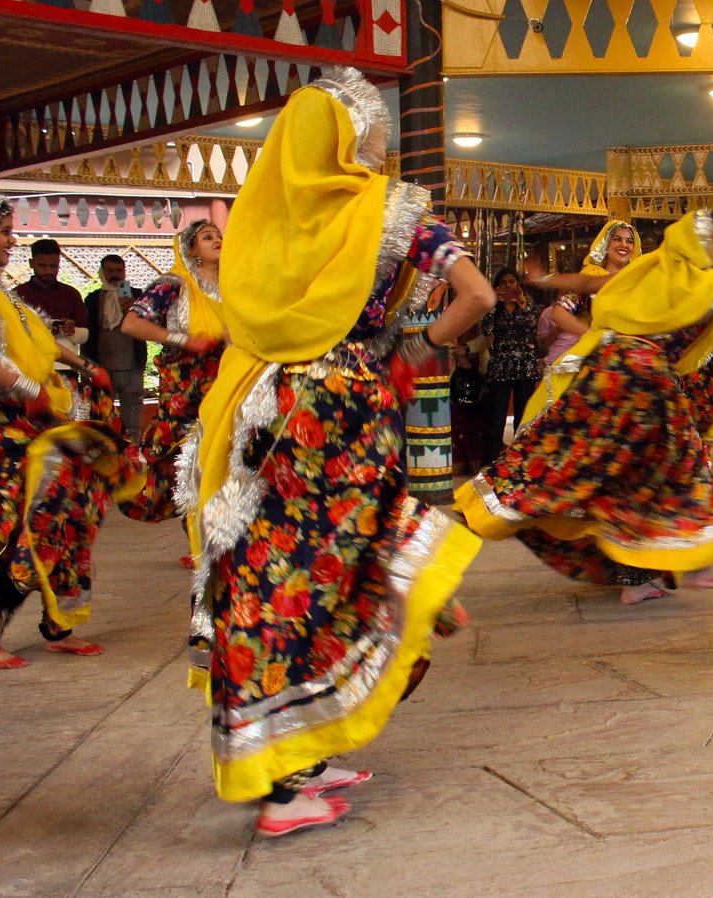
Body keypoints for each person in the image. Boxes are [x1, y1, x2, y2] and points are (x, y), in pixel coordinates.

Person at [186, 67, 492, 837]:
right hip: (350, 411)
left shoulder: (264, 220)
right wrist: (411, 347)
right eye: (375, 127)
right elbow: (478, 297)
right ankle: (281, 787)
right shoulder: (392, 211)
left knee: (278, 566)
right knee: (338, 572)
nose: (382, 140)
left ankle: (297, 752)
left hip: (271, 409)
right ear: (353, 135)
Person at [456, 211, 713, 606]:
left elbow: (590, 282)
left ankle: (635, 576)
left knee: (616, 470)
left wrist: (544, 279)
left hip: (606, 373)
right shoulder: (706, 282)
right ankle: (694, 560)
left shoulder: (652, 267)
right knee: (683, 463)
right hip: (644, 379)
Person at [0, 196, 135, 668]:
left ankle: (60, 626)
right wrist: (22, 384)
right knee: (14, 526)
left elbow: (38, 337)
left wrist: (84, 363)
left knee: (70, 509)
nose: (13, 240)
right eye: (5, 232)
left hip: (31, 417)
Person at [117, 220, 226, 527]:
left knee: (221, 458)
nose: (217, 240)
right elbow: (132, 323)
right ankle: (196, 535)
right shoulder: (173, 283)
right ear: (191, 250)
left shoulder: (232, 285)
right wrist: (185, 340)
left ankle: (212, 539)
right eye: (207, 237)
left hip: (225, 381)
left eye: (219, 235)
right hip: (186, 388)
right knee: (183, 460)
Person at [479, 266, 541, 462]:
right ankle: (491, 460)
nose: (508, 286)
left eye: (511, 282)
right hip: (501, 366)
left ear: (518, 284)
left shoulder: (527, 303)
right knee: (496, 417)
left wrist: (522, 305)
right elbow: (486, 331)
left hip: (524, 365)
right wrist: (492, 304)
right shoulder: (494, 307)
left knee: (523, 416)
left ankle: (522, 458)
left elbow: (531, 326)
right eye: (504, 283)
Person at [83, 254, 148, 438]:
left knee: (133, 421)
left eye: (119, 270)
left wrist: (132, 310)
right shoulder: (93, 299)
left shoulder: (137, 296)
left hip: (132, 368)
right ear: (102, 272)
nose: (115, 275)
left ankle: (135, 461)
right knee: (103, 421)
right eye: (110, 270)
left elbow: (149, 327)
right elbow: (87, 334)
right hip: (103, 370)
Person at [15, 238, 89, 370]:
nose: (48, 271)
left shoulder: (71, 294)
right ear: (32, 263)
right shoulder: (18, 294)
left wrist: (72, 331)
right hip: (30, 366)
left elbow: (84, 336)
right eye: (42, 266)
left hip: (65, 367)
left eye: (53, 266)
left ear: (59, 264)